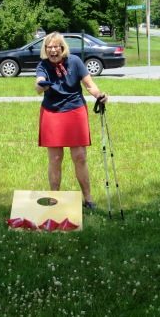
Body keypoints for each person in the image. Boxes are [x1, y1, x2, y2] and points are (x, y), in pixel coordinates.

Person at [34, 32, 108, 209]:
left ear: (62, 47)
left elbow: (89, 85)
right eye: (49, 47)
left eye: (56, 46)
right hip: (52, 113)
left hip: (75, 110)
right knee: (56, 158)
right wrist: (42, 85)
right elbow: (38, 84)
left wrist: (99, 95)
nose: (53, 50)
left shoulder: (74, 61)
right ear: (45, 50)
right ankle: (54, 198)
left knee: (80, 156)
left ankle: (88, 199)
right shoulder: (43, 65)